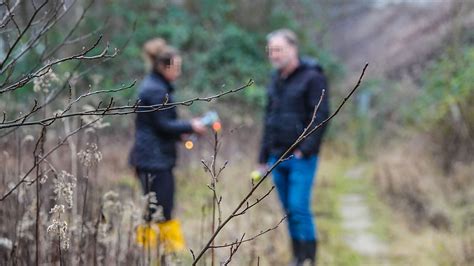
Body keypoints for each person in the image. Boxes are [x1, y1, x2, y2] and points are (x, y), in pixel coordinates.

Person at [258, 29, 330, 265]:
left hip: (301, 158)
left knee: (299, 208)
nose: (274, 55)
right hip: (276, 157)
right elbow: (269, 119)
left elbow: (321, 116)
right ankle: (297, 258)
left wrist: (305, 150)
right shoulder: (275, 80)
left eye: (278, 50)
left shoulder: (313, 77)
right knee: (288, 211)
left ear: (293, 49)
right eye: (271, 51)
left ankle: (309, 259)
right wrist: (262, 156)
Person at [129, 38, 206, 253]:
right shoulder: (155, 90)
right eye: (177, 67)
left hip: (152, 158)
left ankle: (152, 252)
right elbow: (163, 124)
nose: (179, 72)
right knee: (160, 209)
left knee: (154, 208)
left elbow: (158, 125)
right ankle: (168, 253)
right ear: (163, 66)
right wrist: (191, 124)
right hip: (154, 160)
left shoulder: (156, 86)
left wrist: (181, 133)